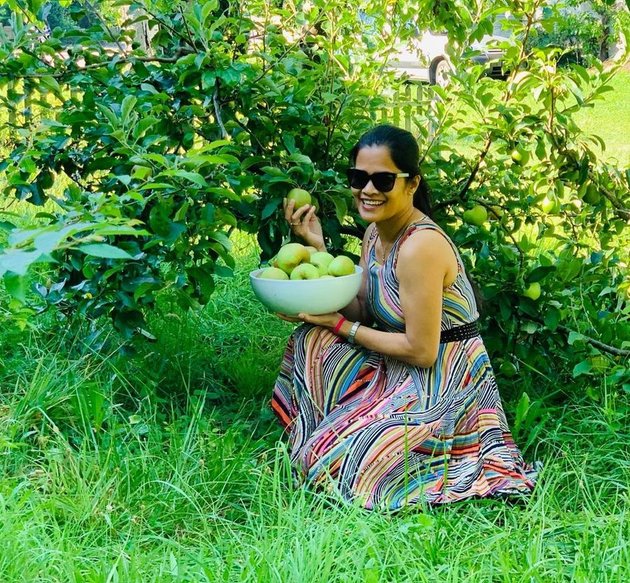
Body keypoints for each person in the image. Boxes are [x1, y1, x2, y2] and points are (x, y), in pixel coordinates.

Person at [272, 124, 538, 511]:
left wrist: (341, 326)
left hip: (445, 383)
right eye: (358, 178)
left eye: (382, 179)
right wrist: (318, 249)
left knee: (343, 461)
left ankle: (351, 438)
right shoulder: (374, 235)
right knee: (308, 340)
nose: (367, 189)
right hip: (397, 368)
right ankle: (335, 430)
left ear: (411, 184)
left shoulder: (421, 247)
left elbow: (422, 350)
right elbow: (363, 308)